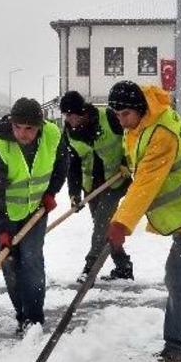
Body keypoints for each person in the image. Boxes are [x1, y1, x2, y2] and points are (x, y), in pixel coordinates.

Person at [104, 81, 181, 362]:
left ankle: (175, 346)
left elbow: (147, 182)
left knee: (178, 273)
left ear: (138, 109)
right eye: (116, 115)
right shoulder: (145, 120)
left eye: (125, 115)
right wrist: (129, 167)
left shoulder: (161, 132)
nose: (121, 122)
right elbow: (142, 161)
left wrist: (121, 223)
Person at [0, 98, 68, 333]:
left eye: (29, 128)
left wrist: (51, 191)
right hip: (5, 214)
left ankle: (34, 319)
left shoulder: (52, 135)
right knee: (10, 265)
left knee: (31, 261)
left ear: (39, 125)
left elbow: (63, 162)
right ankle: (21, 314)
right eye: (18, 127)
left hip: (36, 211)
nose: (22, 133)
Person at [59, 90, 134, 283]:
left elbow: (130, 138)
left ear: (82, 112)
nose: (69, 120)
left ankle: (90, 268)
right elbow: (73, 165)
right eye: (65, 116)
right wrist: (74, 193)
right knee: (104, 228)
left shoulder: (108, 117)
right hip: (91, 185)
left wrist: (128, 161)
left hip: (116, 179)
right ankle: (123, 266)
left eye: (71, 115)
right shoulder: (69, 133)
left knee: (102, 224)